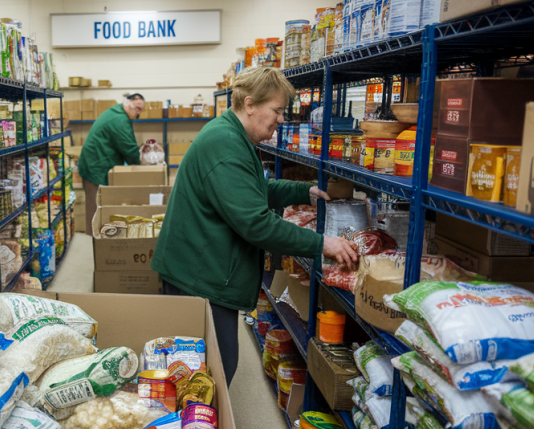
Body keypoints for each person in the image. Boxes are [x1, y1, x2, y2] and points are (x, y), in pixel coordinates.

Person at [151, 66, 359, 386]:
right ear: (250, 104)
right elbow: (256, 224)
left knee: (208, 370)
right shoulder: (225, 144)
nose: (281, 119)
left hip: (203, 268)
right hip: (198, 277)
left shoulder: (233, 136)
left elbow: (254, 191)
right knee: (210, 373)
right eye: (276, 110)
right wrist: (323, 244)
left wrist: (304, 191)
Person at [76, 93, 146, 234]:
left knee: (99, 202)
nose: (138, 113)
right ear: (128, 103)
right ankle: (95, 238)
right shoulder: (120, 119)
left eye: (141, 110)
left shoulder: (117, 113)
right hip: (95, 165)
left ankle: (99, 234)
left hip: (98, 161)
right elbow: (129, 148)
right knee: (95, 204)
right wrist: (141, 167)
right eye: (137, 109)